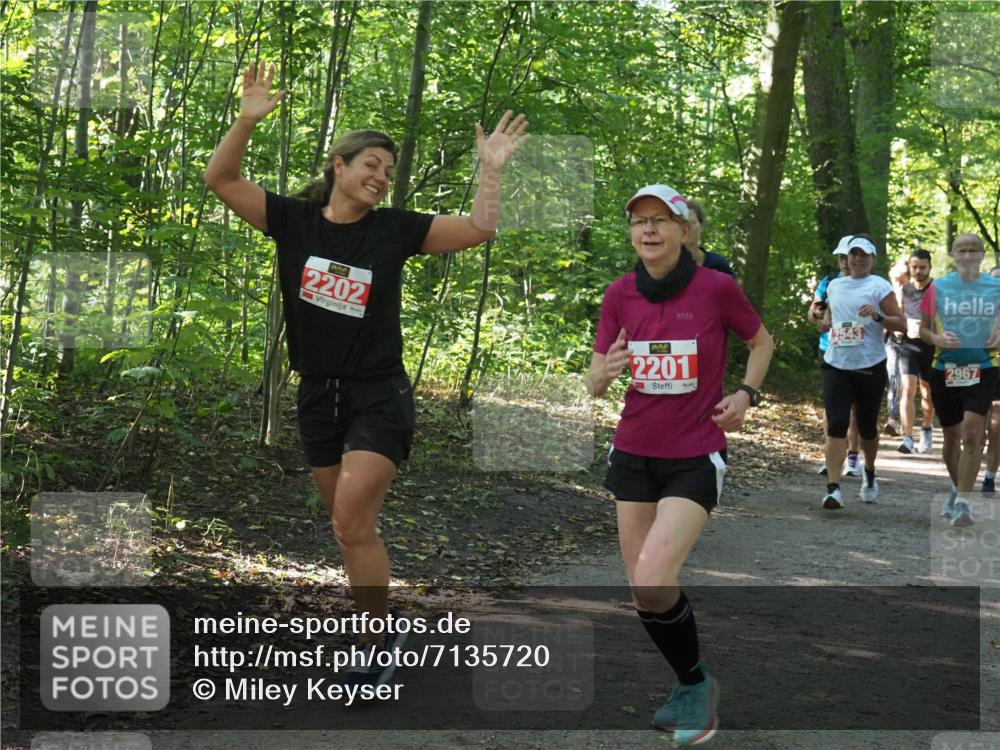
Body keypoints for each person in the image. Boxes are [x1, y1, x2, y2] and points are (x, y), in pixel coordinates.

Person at [204, 62, 528, 684]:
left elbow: (480, 229)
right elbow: (221, 178)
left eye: (388, 170)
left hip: (379, 395)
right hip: (316, 394)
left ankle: (372, 652)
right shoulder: (293, 221)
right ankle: (379, 627)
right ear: (340, 166)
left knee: (351, 520)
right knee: (350, 531)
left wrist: (491, 171)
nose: (381, 177)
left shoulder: (394, 231)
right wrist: (247, 119)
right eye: (371, 165)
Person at [586, 184, 773, 746]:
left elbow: (762, 343)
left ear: (684, 230)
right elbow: (594, 381)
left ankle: (694, 688)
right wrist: (605, 372)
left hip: (695, 452)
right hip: (634, 452)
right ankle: (692, 681)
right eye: (639, 221)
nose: (649, 230)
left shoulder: (717, 288)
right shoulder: (619, 294)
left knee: (652, 575)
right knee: (643, 590)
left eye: (661, 221)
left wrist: (745, 395)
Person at [919, 234, 1000, 527]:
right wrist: (938, 338)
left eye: (973, 250)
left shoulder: (996, 287)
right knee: (952, 438)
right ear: (953, 254)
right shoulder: (938, 287)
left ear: (982, 254)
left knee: (971, 433)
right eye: (962, 251)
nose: (967, 256)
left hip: (984, 366)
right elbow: (923, 330)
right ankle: (957, 487)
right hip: (945, 368)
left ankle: (964, 502)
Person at [819, 235, 905, 509]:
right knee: (836, 423)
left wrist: (878, 316)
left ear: (872, 259)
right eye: (853, 255)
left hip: (869, 364)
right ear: (846, 258)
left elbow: (901, 323)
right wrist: (824, 323)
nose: (858, 260)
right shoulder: (834, 285)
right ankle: (833, 488)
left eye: (864, 256)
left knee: (867, 427)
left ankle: (869, 472)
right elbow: (830, 318)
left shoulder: (879, 286)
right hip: (836, 363)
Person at [808, 238, 862, 477]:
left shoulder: (868, 284)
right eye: (840, 257)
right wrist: (819, 319)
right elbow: (813, 310)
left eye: (847, 257)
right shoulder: (828, 282)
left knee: (853, 407)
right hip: (829, 349)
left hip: (858, 352)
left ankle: (852, 456)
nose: (843, 262)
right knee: (832, 408)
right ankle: (831, 457)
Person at [892, 249, 936, 454]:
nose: (918, 271)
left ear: (929, 267)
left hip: (931, 345)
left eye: (922, 267)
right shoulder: (905, 289)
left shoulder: (937, 289)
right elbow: (897, 311)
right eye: (914, 267)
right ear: (909, 267)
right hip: (908, 344)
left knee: (927, 392)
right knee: (907, 389)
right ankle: (907, 437)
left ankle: (926, 428)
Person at [883, 258, 909, 437]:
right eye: (894, 279)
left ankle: (902, 420)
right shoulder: (886, 292)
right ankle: (893, 419)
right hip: (890, 341)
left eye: (900, 279)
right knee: (893, 379)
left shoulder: (915, 292)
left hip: (912, 342)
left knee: (906, 383)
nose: (897, 282)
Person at [981, 264, 1000, 496]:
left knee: (996, 427)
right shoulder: (975, 310)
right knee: (973, 429)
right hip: (976, 369)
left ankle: (989, 477)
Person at [683, 199, 734, 277]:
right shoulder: (665, 267)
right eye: (682, 223)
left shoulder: (718, 264)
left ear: (702, 227)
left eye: (692, 223)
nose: (687, 228)